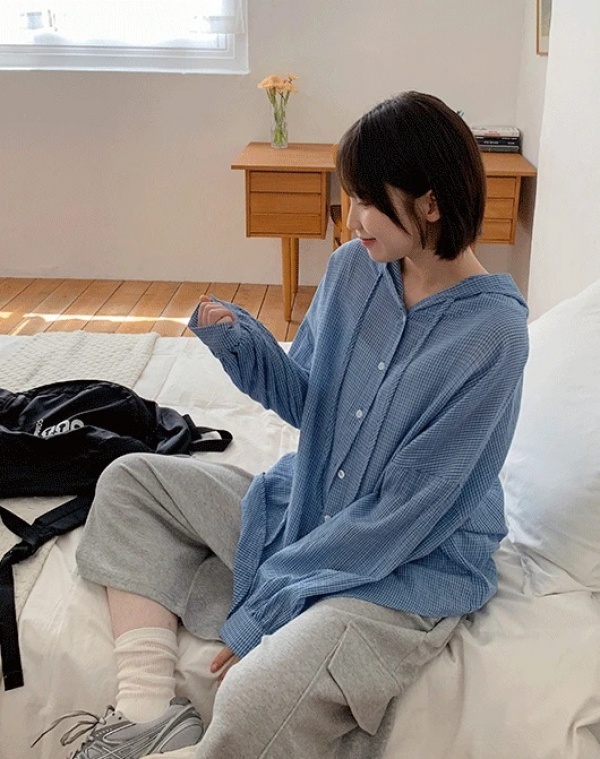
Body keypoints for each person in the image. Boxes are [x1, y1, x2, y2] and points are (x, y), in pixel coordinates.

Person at [51, 91, 529, 759]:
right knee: (129, 479)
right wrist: (242, 342)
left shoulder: (494, 335)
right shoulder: (353, 268)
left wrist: (269, 602)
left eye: (369, 200)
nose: (351, 218)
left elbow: (407, 511)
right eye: (351, 196)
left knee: (255, 696)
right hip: (308, 508)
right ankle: (146, 712)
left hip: (406, 563)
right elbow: (310, 401)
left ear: (430, 203)